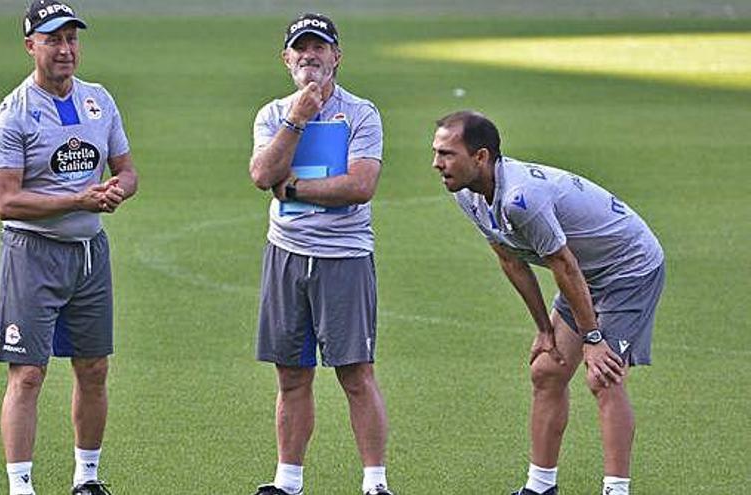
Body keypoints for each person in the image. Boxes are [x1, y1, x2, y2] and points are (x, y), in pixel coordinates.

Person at [430, 110, 664, 495]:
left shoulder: (522, 199)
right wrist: (544, 329)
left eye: (447, 154)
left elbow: (564, 266)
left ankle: (616, 490)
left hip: (628, 268)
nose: (437, 164)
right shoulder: (468, 194)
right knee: (547, 370)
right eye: (436, 152)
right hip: (584, 272)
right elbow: (510, 259)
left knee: (602, 375)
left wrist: (592, 338)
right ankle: (540, 488)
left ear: (481, 157)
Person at [0, 1, 137, 494]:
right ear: (31, 46)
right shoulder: (14, 113)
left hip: (90, 254)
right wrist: (78, 197)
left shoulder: (99, 100)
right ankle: (21, 486)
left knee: (93, 368)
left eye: (71, 38)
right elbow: (6, 201)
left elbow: (127, 170)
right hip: (33, 254)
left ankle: (87, 479)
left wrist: (118, 189)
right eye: (53, 39)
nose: (66, 49)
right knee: (28, 373)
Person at [248, 13, 394, 495]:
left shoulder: (360, 113)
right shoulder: (273, 114)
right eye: (301, 49)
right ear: (286, 58)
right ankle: (288, 480)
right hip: (286, 254)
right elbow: (261, 174)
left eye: (320, 48)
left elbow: (360, 185)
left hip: (344, 257)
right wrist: (298, 118)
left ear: (337, 55)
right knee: (291, 373)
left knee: (356, 372)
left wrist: (293, 189)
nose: (310, 56)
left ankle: (375, 482)